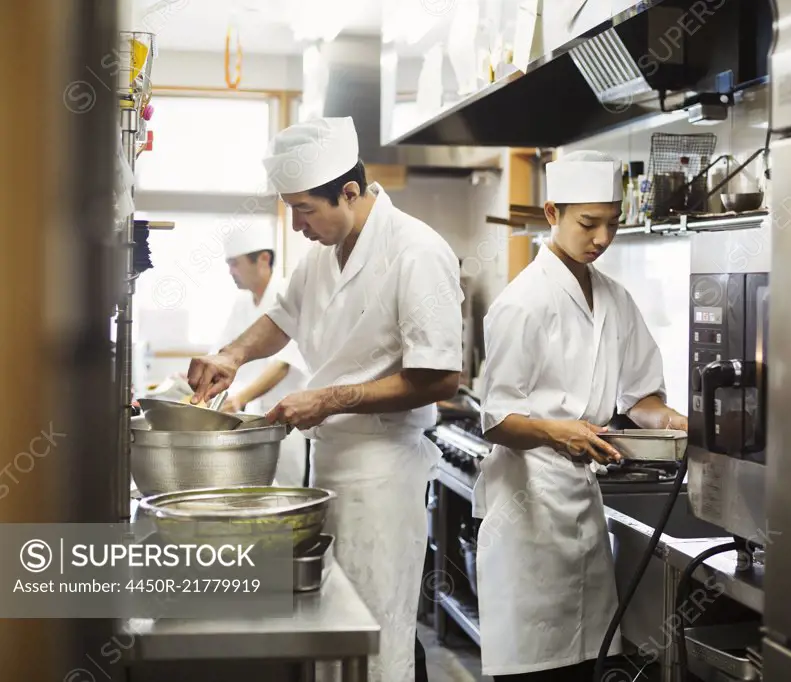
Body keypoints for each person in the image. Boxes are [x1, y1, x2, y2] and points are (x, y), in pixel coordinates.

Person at [186, 116, 464, 682]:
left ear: (350, 192)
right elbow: (280, 320)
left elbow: (439, 379)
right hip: (329, 470)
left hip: (383, 477)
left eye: (304, 209)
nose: (296, 224)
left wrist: (328, 399)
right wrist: (232, 355)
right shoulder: (321, 254)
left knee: (377, 637)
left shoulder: (416, 252)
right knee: (332, 634)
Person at [472, 150, 689, 681]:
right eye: (588, 223)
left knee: (590, 664)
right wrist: (557, 431)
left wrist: (675, 422)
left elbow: (641, 398)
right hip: (525, 510)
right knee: (534, 669)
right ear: (552, 214)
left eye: (613, 224)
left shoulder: (616, 299)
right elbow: (497, 418)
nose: (601, 239)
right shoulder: (521, 303)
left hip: (580, 507)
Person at [213, 223, 310, 487]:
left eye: (235, 263)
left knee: (283, 500)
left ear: (263, 259)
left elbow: (283, 365)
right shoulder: (243, 301)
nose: (230, 271)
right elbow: (223, 351)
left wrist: (240, 398)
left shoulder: (287, 294)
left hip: (283, 418)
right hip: (247, 415)